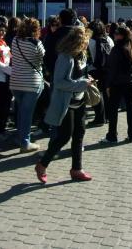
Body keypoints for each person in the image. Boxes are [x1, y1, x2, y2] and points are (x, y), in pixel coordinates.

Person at [36, 26, 93, 183]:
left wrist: (88, 80)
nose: (87, 45)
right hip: (66, 103)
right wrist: (81, 83)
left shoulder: (82, 55)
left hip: (79, 101)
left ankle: (77, 169)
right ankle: (42, 164)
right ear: (76, 42)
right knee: (64, 136)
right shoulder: (65, 57)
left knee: (79, 134)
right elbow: (59, 82)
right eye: (85, 42)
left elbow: (82, 74)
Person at [10, 18, 45, 153]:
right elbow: (42, 59)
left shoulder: (15, 40)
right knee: (27, 114)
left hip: (15, 81)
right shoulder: (37, 43)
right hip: (31, 82)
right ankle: (25, 142)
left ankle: (20, 137)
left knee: (21, 111)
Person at [101, 26, 132, 144]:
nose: (114, 35)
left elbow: (112, 69)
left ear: (121, 35)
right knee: (131, 107)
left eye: (117, 33)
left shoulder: (117, 48)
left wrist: (108, 85)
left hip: (117, 82)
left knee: (113, 109)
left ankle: (112, 135)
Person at [87, 20, 113, 126]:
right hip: (108, 70)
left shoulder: (89, 41)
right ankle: (108, 116)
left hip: (94, 69)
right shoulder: (109, 39)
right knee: (106, 94)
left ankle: (99, 118)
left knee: (96, 93)